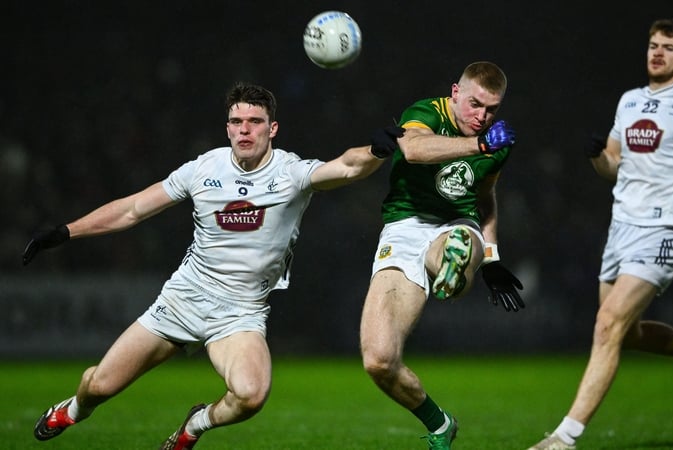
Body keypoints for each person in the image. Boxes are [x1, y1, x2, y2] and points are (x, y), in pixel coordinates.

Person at [22, 82, 388, 449]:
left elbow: (346, 167)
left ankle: (194, 425)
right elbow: (133, 209)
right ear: (227, 127)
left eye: (255, 121)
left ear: (272, 128)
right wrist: (65, 232)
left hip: (240, 313)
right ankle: (72, 410)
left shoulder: (290, 173)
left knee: (251, 395)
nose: (245, 129)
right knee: (98, 386)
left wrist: (375, 150)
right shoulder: (203, 169)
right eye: (237, 121)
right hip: (183, 300)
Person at [528, 18, 673, 450]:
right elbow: (614, 167)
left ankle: (564, 438)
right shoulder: (630, 101)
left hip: (663, 229)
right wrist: (597, 155)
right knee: (626, 333)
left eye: (668, 47)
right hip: (621, 229)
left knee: (607, 325)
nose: (657, 52)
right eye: (653, 45)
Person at [360, 61, 525, 450]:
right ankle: (440, 425)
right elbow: (414, 149)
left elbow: (484, 197)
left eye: (491, 110)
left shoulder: (498, 143)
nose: (482, 117)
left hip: (456, 223)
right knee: (379, 360)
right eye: (474, 104)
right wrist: (480, 145)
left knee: (455, 245)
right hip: (402, 230)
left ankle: (456, 264)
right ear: (455, 92)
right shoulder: (425, 112)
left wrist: (492, 256)